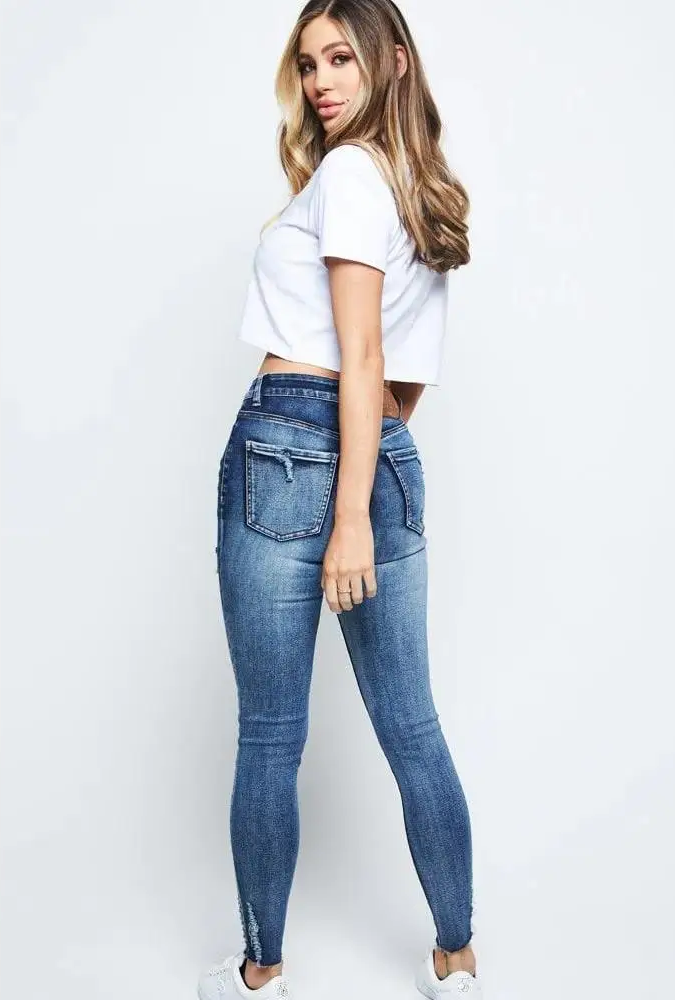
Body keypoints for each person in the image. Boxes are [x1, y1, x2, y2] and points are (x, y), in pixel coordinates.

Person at [198, 2, 482, 997]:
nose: (320, 82)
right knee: (413, 727)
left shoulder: (353, 173)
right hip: (382, 449)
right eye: (309, 63)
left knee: (272, 736)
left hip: (289, 447)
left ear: (392, 61)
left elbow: (360, 355)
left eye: (340, 59)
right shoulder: (418, 186)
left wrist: (346, 515)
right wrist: (366, 478)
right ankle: (456, 961)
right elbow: (403, 382)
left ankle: (260, 975)